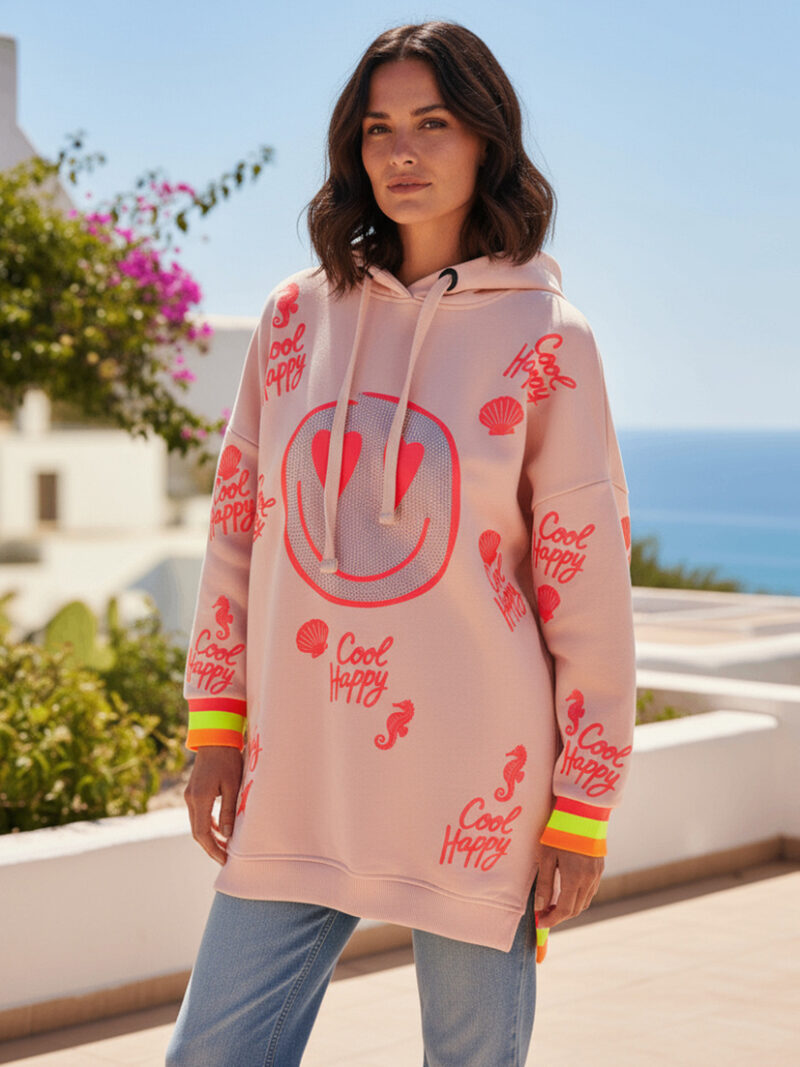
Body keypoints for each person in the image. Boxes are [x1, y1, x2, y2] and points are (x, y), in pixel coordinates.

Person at [166, 20, 636, 1067]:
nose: (402, 152)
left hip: (479, 783)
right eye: (378, 128)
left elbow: (585, 585)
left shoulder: (548, 337)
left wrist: (581, 807)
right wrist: (214, 727)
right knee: (210, 1053)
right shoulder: (294, 319)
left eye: (432, 123)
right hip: (301, 767)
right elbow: (237, 528)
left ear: (485, 140)